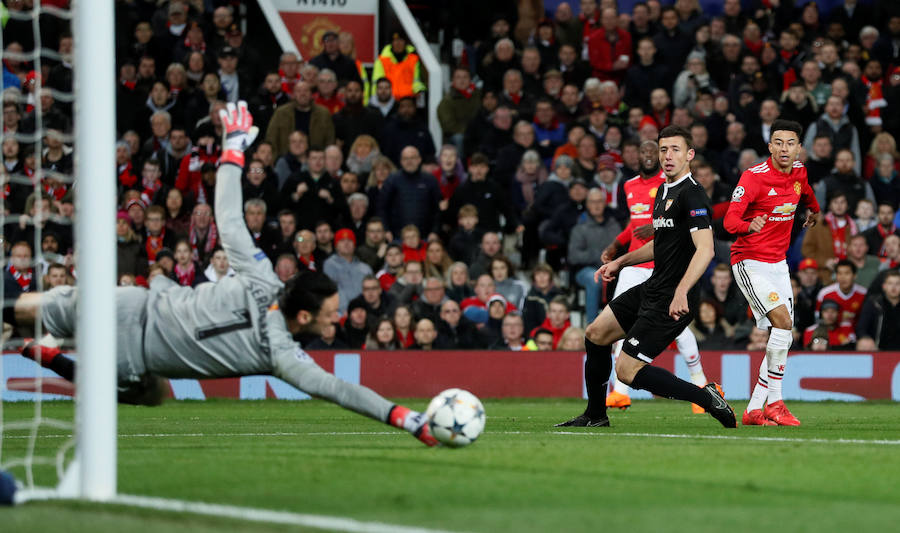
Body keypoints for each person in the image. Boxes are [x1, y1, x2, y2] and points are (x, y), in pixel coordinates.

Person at [16, 101, 438, 446]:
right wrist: (401, 417)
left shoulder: (262, 275)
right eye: (330, 314)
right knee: (147, 394)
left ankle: (45, 344)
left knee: (19, 309)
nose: (336, 318)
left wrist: (233, 150)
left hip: (130, 304)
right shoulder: (282, 356)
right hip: (131, 358)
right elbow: (339, 390)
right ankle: (55, 359)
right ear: (304, 317)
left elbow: (229, 219)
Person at [556, 125, 734, 429]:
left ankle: (708, 398)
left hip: (673, 296)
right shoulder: (664, 190)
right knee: (595, 334)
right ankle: (596, 415)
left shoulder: (692, 195)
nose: (667, 156)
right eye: (664, 149)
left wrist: (681, 291)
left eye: (675, 150)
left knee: (627, 371)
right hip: (653, 286)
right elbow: (660, 243)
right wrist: (622, 261)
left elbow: (705, 250)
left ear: (689, 155)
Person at [600, 140, 712, 412]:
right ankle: (619, 392)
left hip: (663, 267)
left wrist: (658, 228)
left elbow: (681, 229)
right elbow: (634, 224)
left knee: (677, 327)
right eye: (650, 151)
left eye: (660, 151)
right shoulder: (630, 186)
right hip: (635, 265)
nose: (655, 156)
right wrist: (617, 247)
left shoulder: (677, 185)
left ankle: (700, 382)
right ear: (638, 155)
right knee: (614, 326)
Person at [723, 119, 820, 427]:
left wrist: (813, 210)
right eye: (778, 142)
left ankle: (754, 409)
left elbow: (806, 191)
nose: (784, 149)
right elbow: (728, 221)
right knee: (783, 323)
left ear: (799, 147)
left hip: (778, 264)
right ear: (770, 146)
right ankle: (775, 403)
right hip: (748, 262)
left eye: (790, 143)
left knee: (782, 334)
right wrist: (746, 225)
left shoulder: (800, 171)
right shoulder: (753, 177)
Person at [855, 270, 900, 351]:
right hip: (877, 349)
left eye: (897, 284)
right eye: (890, 283)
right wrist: (865, 338)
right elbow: (861, 328)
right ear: (884, 286)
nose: (893, 287)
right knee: (863, 343)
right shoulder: (874, 303)